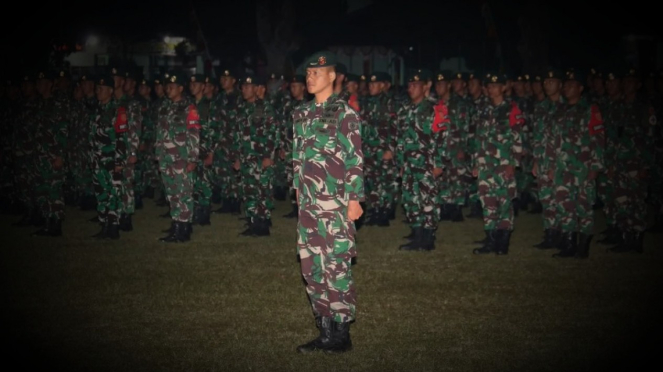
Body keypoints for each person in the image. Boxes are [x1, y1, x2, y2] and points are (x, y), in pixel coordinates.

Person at [293, 51, 364, 354]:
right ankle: (324, 330)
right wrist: (297, 194)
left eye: (317, 73)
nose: (310, 78)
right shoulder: (301, 114)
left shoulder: (344, 113)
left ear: (332, 76)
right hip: (308, 205)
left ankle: (341, 333)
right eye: (308, 74)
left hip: (335, 204)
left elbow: (354, 159)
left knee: (336, 266)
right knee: (312, 268)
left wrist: (355, 199)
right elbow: (298, 160)